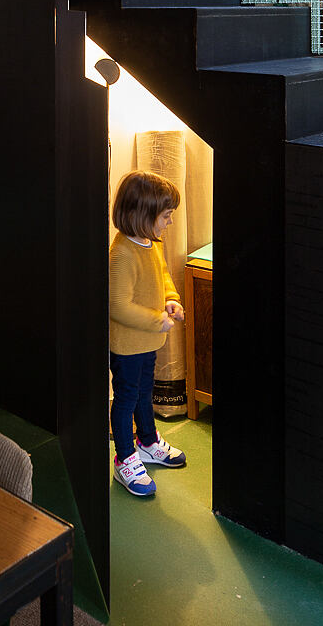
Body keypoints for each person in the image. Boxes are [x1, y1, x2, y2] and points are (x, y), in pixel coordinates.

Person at [109, 169, 187, 496]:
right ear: (142, 215)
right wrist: (158, 321)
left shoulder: (150, 243)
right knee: (126, 398)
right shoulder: (121, 255)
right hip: (127, 347)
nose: (170, 222)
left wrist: (171, 298)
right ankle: (125, 457)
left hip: (148, 342)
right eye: (166, 216)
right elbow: (117, 306)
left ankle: (148, 441)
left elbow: (163, 274)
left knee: (144, 392)